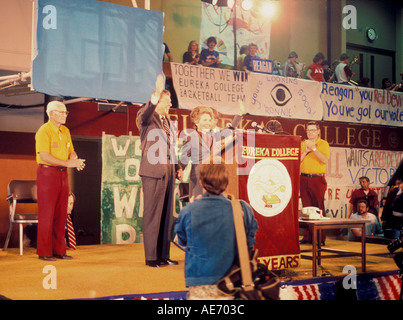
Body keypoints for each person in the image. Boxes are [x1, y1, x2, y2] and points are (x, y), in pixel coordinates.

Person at [174, 162, 258, 300]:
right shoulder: (242, 209)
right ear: (227, 181)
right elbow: (249, 245)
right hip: (232, 282)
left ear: (201, 182)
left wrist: (193, 206)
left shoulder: (189, 211)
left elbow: (182, 240)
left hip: (199, 285)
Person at [137, 74, 184, 267]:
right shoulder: (146, 118)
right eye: (167, 100)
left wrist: (178, 167)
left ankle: (164, 255)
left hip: (169, 171)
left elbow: (172, 148)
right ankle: (151, 258)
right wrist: (154, 97)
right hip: (153, 172)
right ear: (157, 101)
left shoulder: (168, 123)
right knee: (152, 215)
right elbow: (146, 113)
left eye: (170, 101)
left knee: (166, 216)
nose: (170, 103)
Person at [35, 101, 86, 261]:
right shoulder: (44, 131)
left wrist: (75, 159)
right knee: (47, 214)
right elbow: (44, 156)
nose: (65, 115)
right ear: (51, 113)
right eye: (61, 112)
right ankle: (44, 252)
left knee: (61, 213)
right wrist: (68, 163)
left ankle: (59, 250)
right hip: (47, 174)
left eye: (66, 112)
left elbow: (71, 151)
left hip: (63, 175)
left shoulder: (65, 131)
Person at [180, 102, 244, 202]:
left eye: (209, 120)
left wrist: (239, 114)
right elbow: (184, 160)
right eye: (205, 120)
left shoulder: (214, 135)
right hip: (198, 180)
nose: (208, 123)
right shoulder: (190, 138)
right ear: (196, 122)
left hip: (213, 179)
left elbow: (229, 131)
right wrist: (177, 171)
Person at [299, 121, 330, 245]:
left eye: (312, 130)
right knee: (306, 208)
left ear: (318, 131)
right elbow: (297, 161)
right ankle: (308, 237)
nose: (310, 132)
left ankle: (320, 238)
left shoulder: (323, 144)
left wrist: (314, 148)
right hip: (303, 178)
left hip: (317, 179)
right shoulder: (302, 144)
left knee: (318, 208)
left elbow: (324, 160)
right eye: (308, 130)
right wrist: (306, 151)